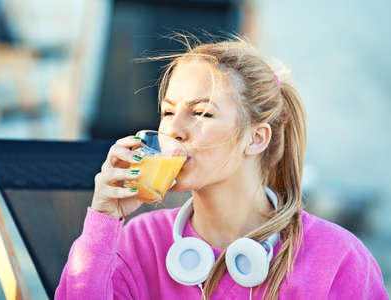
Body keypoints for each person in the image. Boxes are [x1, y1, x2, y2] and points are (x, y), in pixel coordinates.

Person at [54, 35, 389, 300]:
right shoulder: (140, 242)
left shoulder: (338, 259)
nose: (173, 130)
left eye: (201, 113)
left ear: (256, 139)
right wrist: (103, 220)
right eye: (169, 112)